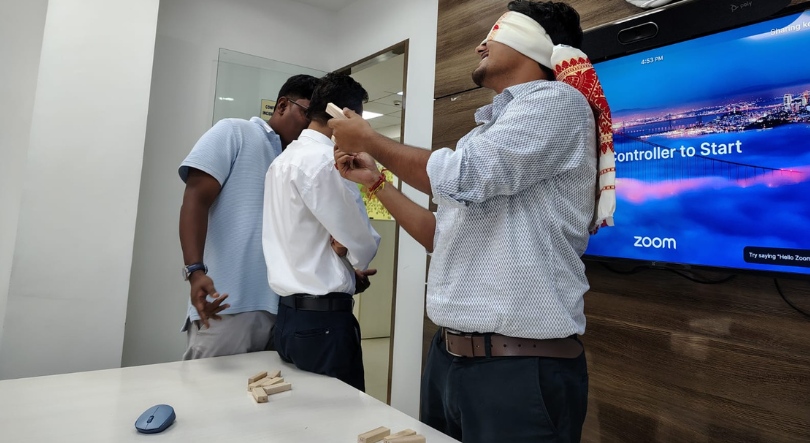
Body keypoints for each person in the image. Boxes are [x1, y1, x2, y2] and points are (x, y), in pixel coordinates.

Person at [330, 1, 616, 441]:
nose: (481, 45)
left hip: (519, 369)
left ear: (531, 43)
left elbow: (465, 175)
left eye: (493, 34)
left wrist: (371, 140)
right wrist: (376, 181)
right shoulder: (481, 135)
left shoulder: (558, 102)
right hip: (451, 359)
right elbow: (439, 236)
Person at [178, 74, 319, 360]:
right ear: (282, 105)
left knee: (273, 389)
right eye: (307, 114)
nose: (310, 126)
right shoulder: (234, 132)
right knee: (210, 387)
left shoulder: (304, 161)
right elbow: (195, 200)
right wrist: (195, 271)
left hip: (288, 309)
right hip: (229, 304)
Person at [262, 72, 381, 391]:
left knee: (302, 414)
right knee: (338, 415)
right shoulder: (326, 163)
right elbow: (362, 245)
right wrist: (351, 252)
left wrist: (342, 251)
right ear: (342, 116)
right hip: (323, 323)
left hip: (287, 318)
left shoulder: (282, 161)